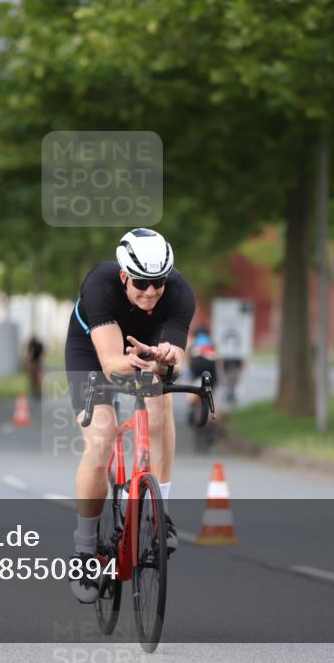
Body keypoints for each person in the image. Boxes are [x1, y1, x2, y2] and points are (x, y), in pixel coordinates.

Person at [64, 228, 194, 603]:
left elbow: (170, 370)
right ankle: (85, 551)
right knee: (101, 439)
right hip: (93, 353)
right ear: (124, 276)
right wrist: (134, 362)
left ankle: (159, 513)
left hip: (146, 351)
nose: (151, 291)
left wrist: (166, 362)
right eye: (141, 283)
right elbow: (111, 365)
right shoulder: (100, 285)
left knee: (160, 404)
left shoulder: (181, 294)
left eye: (158, 283)